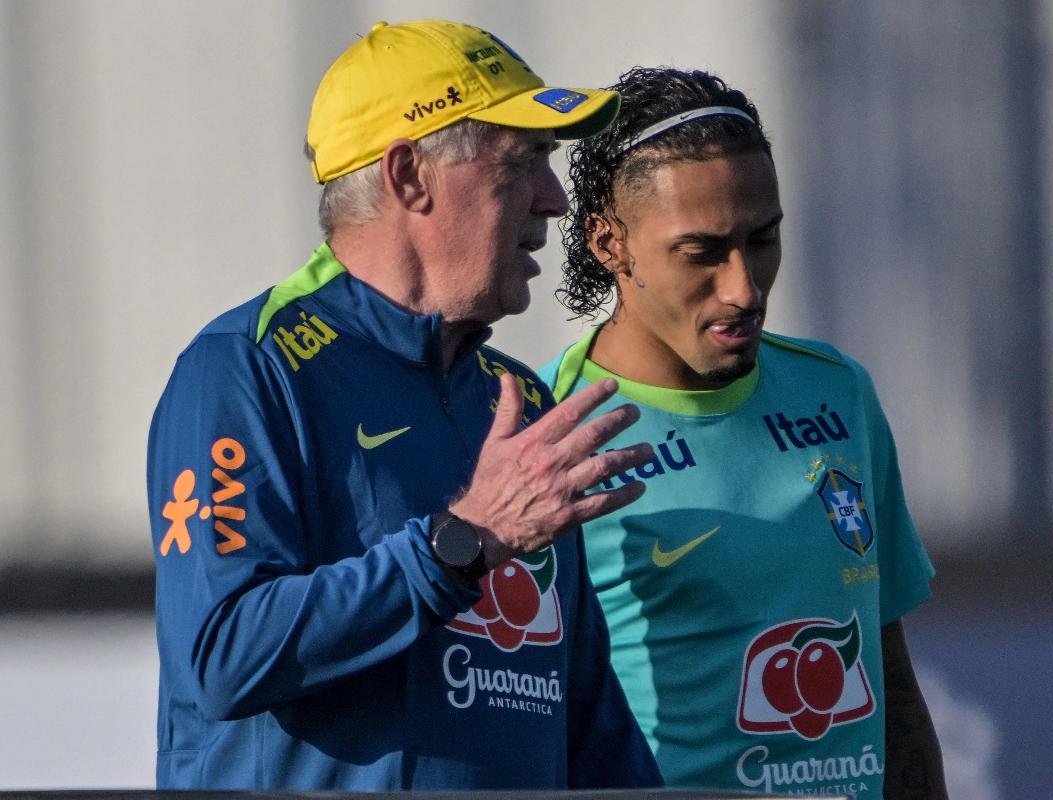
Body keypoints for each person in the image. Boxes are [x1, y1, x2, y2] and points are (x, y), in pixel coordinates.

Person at [146, 20, 664, 791]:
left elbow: (586, 717)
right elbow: (222, 654)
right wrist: (465, 540)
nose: (555, 200)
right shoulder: (246, 367)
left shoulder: (520, 398)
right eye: (524, 161)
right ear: (410, 176)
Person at [539, 66, 948, 799]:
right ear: (609, 242)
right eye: (702, 253)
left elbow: (892, 678)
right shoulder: (550, 430)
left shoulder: (838, 392)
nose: (744, 287)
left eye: (763, 241)